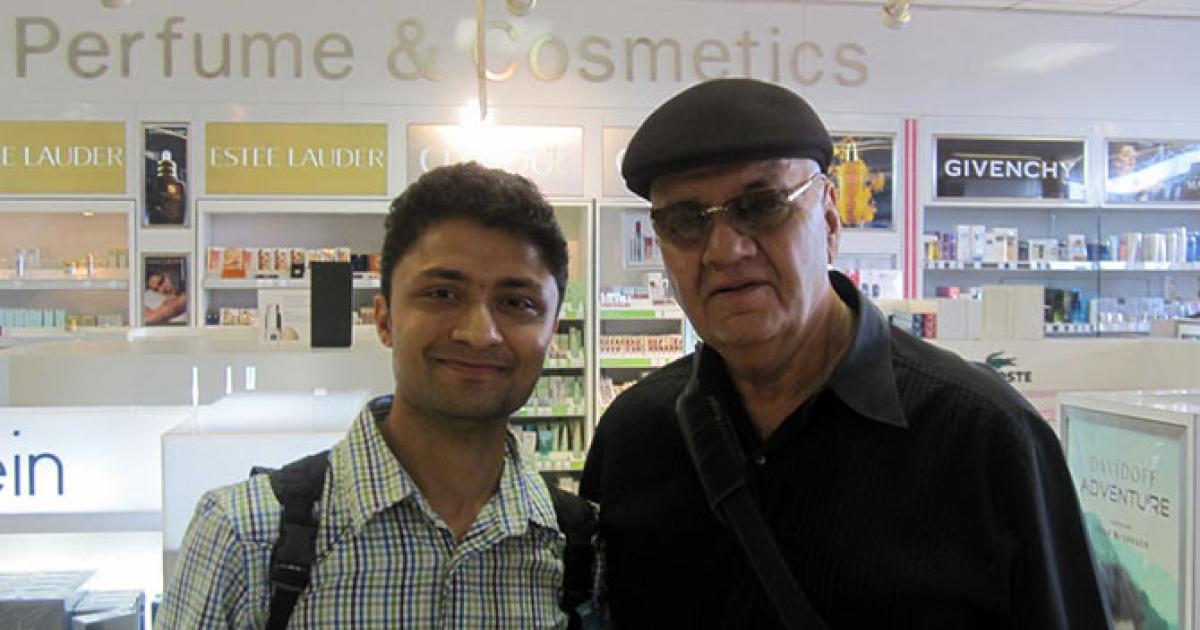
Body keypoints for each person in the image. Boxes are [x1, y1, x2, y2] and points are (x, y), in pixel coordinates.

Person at [579, 78, 1112, 629]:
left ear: (830, 220)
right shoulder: (634, 437)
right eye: (686, 221)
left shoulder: (987, 439)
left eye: (761, 206)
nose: (725, 250)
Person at [160, 162, 575, 628]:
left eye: (517, 303)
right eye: (442, 294)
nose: (480, 335)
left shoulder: (576, 552)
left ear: (552, 332)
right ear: (384, 319)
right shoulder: (244, 537)